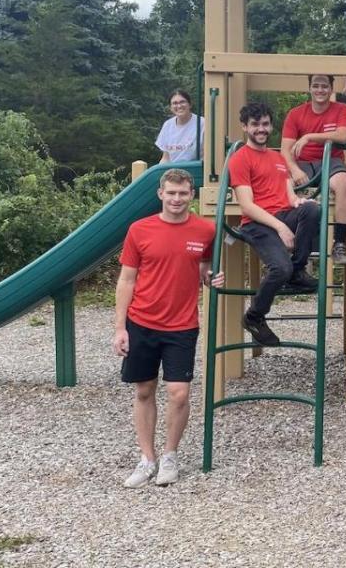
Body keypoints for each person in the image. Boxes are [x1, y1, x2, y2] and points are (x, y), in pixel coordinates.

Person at [113, 168, 223, 488]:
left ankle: (170, 455)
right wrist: (120, 328)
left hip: (182, 324)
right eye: (171, 193)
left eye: (183, 193)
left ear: (192, 195)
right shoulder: (139, 230)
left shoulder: (206, 230)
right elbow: (126, 280)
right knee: (144, 390)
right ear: (160, 194)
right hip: (142, 322)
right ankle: (147, 459)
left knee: (179, 393)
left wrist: (211, 279)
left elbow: (204, 271)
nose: (177, 199)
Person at [231, 101, 322, 347]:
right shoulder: (240, 159)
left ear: (271, 126)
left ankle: (297, 270)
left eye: (265, 124)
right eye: (255, 125)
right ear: (245, 127)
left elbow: (288, 193)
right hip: (257, 222)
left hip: (282, 214)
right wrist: (280, 227)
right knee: (280, 269)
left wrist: (297, 201)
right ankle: (254, 316)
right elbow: (247, 206)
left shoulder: (277, 158)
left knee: (312, 208)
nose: (261, 129)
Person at [282, 75, 346, 265]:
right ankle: (284, 239)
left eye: (324, 86)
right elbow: (285, 150)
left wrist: (309, 137)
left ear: (331, 89)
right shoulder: (296, 114)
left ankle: (339, 242)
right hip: (303, 163)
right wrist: (295, 170)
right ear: (310, 89)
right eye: (316, 86)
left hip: (331, 161)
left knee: (344, 182)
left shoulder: (341, 109)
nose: (320, 90)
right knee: (281, 181)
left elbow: (342, 135)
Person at [155, 89, 204, 163]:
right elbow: (166, 158)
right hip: (172, 171)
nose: (179, 106)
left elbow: (206, 156)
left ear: (190, 104)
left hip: (195, 169)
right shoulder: (167, 125)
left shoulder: (202, 123)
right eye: (175, 103)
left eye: (182, 102)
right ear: (171, 108)